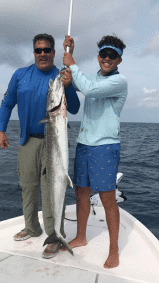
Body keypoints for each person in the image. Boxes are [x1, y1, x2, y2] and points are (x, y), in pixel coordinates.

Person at [0, 33, 80, 259]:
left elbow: (74, 108)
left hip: (54, 143)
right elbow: (7, 103)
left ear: (54, 52)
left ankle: (55, 235)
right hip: (28, 141)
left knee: (53, 187)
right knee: (28, 185)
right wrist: (0, 129)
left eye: (47, 50)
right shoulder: (20, 75)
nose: (42, 54)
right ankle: (32, 227)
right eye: (38, 50)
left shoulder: (62, 75)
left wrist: (69, 85)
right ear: (34, 52)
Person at [62, 35, 127, 268]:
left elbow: (88, 88)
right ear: (98, 56)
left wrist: (72, 62)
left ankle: (114, 249)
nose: (107, 59)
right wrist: (69, 66)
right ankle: (81, 236)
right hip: (84, 144)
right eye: (103, 54)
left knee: (107, 198)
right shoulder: (90, 77)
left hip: (105, 146)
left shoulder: (119, 82)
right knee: (80, 193)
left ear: (119, 59)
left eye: (112, 55)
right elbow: (73, 80)